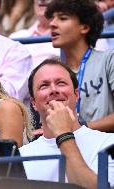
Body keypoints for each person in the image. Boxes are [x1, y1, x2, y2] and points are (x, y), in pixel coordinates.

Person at [19, 58, 114, 188]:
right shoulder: (20, 156)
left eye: (61, 83)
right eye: (44, 85)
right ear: (34, 103)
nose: (53, 90)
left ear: (76, 95)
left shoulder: (109, 143)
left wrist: (63, 133)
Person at [45, 0, 114, 132]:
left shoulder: (109, 59)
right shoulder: (52, 73)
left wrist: (82, 128)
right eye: (52, 18)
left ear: (84, 27)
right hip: (65, 145)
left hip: (104, 148)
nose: (52, 24)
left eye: (62, 18)